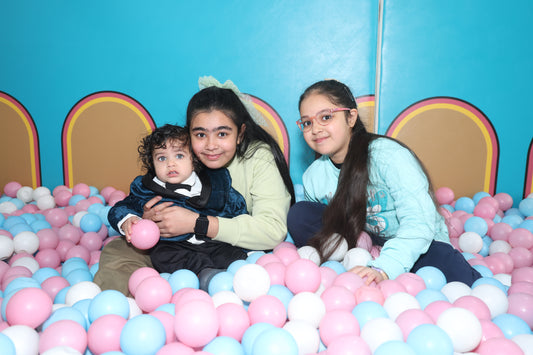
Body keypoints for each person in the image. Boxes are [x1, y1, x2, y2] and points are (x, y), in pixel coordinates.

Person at [94, 77, 294, 295]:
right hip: (170, 248)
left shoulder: (257, 158)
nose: (210, 146)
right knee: (118, 249)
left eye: (222, 134)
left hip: (223, 246)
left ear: (240, 134)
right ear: (188, 135)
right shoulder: (179, 159)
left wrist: (196, 223)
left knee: (236, 265)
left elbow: (271, 229)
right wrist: (144, 222)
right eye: (200, 134)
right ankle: (122, 304)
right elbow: (139, 199)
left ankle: (214, 285)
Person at [287, 79, 481, 286]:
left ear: (351, 117)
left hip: (413, 241)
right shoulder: (313, 176)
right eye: (307, 122)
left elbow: (419, 224)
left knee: (448, 268)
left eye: (326, 117)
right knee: (300, 215)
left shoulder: (389, 156)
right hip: (361, 242)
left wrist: (384, 268)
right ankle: (360, 256)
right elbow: (325, 222)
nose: (315, 129)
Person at [106, 123, 249, 276]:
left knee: (233, 255)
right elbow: (121, 207)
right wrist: (131, 219)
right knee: (163, 255)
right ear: (152, 164)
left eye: (179, 156)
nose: (170, 163)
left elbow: (237, 207)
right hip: (173, 245)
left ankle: (237, 273)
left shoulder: (215, 184)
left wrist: (247, 242)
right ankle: (205, 275)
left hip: (212, 242)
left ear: (193, 160)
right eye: (161, 158)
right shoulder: (145, 188)